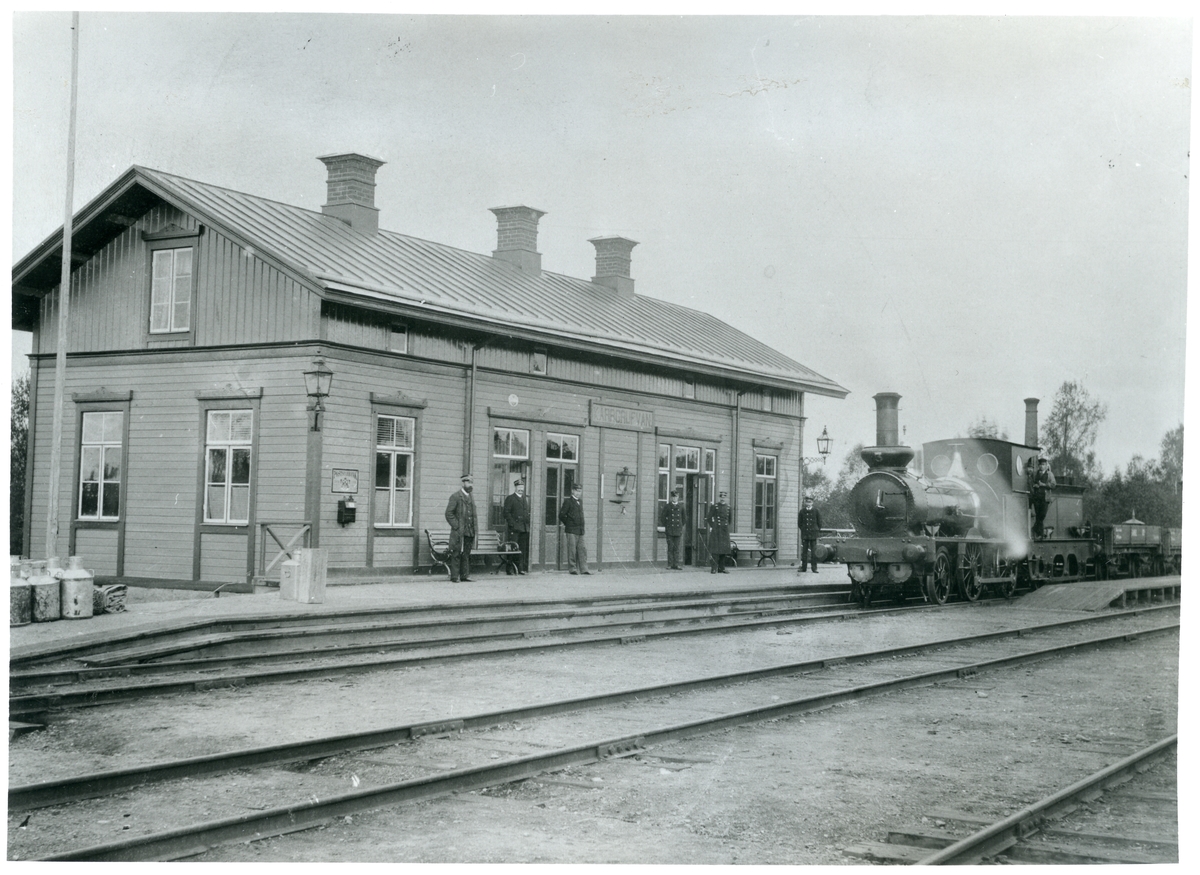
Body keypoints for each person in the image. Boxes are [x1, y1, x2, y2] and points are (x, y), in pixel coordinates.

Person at [444, 474, 477, 582]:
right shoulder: (455, 496)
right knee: (456, 553)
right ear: (463, 483)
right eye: (468, 483)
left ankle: (465, 575)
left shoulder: (471, 497)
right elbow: (449, 514)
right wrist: (457, 526)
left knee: (466, 553)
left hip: (470, 531)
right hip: (459, 531)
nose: (470, 485)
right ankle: (455, 576)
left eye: (471, 483)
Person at [559, 482, 590, 575]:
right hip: (571, 530)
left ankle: (584, 569)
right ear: (572, 491)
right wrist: (568, 523)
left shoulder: (580, 502)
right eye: (576, 491)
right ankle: (572, 569)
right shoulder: (568, 502)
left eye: (580, 491)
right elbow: (561, 515)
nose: (578, 493)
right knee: (572, 550)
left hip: (580, 530)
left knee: (582, 549)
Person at [503, 478, 531, 574]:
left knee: (521, 549)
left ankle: (520, 568)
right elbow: (506, 513)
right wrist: (512, 524)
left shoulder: (524, 499)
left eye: (522, 487)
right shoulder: (510, 498)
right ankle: (510, 569)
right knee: (512, 548)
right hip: (514, 529)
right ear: (515, 487)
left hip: (523, 528)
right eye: (519, 487)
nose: (521, 489)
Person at [706, 490, 732, 574]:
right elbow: (709, 518)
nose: (722, 499)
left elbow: (730, 520)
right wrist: (714, 526)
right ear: (719, 497)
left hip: (724, 531)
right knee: (715, 549)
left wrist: (725, 527)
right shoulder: (715, 506)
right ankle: (714, 568)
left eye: (724, 497)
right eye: (721, 497)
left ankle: (722, 568)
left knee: (723, 549)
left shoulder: (728, 507)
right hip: (716, 531)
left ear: (726, 498)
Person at [1030, 455, 1056, 539]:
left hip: (1045, 498)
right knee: (1038, 516)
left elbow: (1053, 485)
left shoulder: (1049, 474)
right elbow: (1031, 483)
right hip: (1037, 498)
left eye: (1043, 464)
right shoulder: (1035, 474)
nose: (1041, 466)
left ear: (1046, 465)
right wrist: (1035, 486)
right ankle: (1040, 535)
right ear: (1038, 466)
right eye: (1040, 465)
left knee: (1042, 515)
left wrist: (1043, 485)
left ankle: (1034, 529)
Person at [659, 488, 686, 570]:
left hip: (678, 530)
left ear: (678, 497)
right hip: (670, 530)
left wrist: (680, 526)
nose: (674, 498)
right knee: (670, 548)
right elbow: (662, 518)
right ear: (671, 498)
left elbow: (684, 519)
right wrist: (667, 525)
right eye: (673, 497)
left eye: (676, 497)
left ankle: (676, 564)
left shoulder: (681, 507)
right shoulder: (667, 506)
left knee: (677, 548)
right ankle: (670, 564)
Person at [798, 493, 823, 573]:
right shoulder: (802, 511)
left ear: (812, 503)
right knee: (804, 552)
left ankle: (814, 568)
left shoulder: (816, 511)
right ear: (805, 503)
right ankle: (803, 568)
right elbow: (799, 523)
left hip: (813, 534)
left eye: (810, 502)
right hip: (805, 534)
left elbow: (820, 522)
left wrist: (816, 530)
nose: (808, 503)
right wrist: (803, 529)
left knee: (814, 552)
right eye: (807, 502)